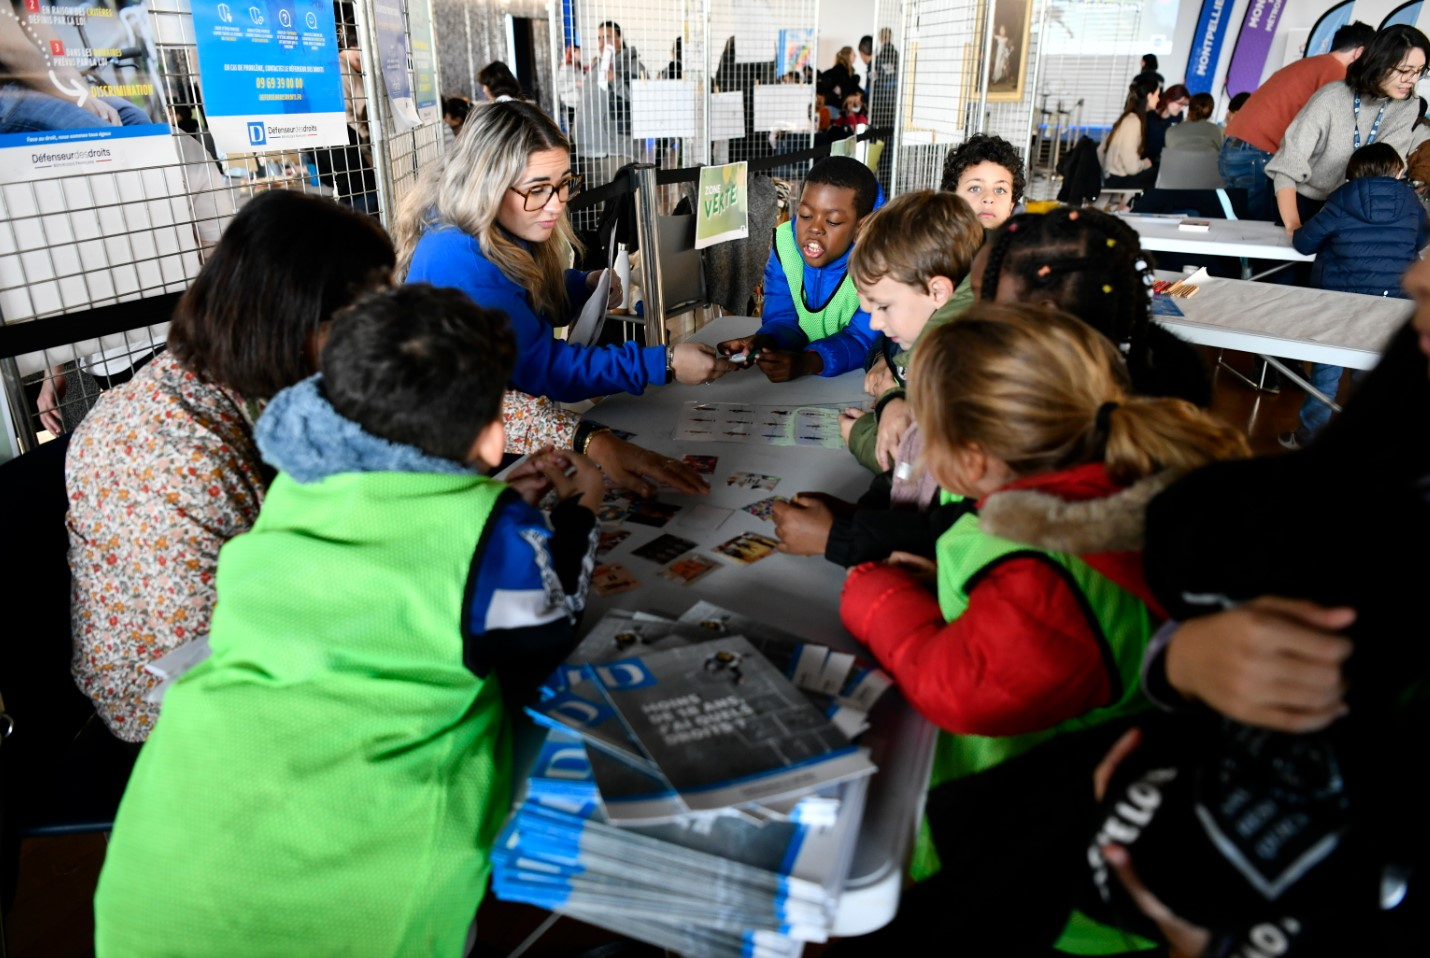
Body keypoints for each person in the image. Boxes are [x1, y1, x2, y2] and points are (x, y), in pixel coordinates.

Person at [93, 283, 606, 956]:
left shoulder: (298, 492)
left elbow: (395, 535)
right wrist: (579, 510)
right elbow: (551, 617)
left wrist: (484, 502)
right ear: (492, 437)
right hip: (357, 906)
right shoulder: (490, 534)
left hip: (156, 877)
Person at [837, 303, 1248, 954]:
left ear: (973, 461)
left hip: (1054, 879)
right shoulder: (1113, 490)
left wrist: (877, 594)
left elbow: (963, 684)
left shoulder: (1042, 560)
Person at [65, 191, 395, 742]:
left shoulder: (268, 371)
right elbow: (225, 667)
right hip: (178, 711)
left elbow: (424, 389)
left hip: (290, 619)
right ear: (292, 319)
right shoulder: (174, 456)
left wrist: (576, 433)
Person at [397, 100, 731, 405]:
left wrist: (583, 285)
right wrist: (664, 362)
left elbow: (526, 300)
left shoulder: (490, 227)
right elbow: (547, 371)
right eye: (538, 189)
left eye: (564, 183)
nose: (556, 204)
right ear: (487, 186)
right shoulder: (465, 263)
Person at [1279, 141, 1428, 449]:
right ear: (1398, 170)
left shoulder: (1341, 199)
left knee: (1326, 370)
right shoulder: (1411, 201)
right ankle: (1362, 441)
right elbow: (1422, 238)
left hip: (1339, 300)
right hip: (1391, 302)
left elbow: (1304, 243)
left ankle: (1310, 437)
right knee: (1371, 373)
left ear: (1352, 173)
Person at [715, 156, 882, 381]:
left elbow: (864, 338)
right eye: (805, 215)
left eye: (832, 221)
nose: (814, 228)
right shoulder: (785, 244)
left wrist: (809, 362)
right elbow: (783, 316)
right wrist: (764, 342)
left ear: (860, 226)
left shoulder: (881, 260)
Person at [1267, 24, 1430, 234]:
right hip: (1299, 200)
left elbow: (1385, 171)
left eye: (1419, 72)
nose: (1412, 80)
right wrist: (1293, 227)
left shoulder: (1407, 105)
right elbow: (1286, 169)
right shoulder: (1331, 98)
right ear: (1379, 62)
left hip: (1348, 205)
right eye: (1405, 71)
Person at [1222, 21, 1374, 222]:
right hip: (1258, 153)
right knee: (1260, 231)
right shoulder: (1335, 74)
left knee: (1242, 226)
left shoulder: (1307, 64)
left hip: (1235, 147)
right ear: (1359, 52)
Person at [1099, 78, 1159, 189]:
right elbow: (1132, 168)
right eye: (1157, 95)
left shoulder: (1129, 117)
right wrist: (1145, 163)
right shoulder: (1133, 122)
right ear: (1149, 96)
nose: (1158, 99)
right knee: (1159, 175)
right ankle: (1126, 206)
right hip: (1117, 179)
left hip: (1112, 176)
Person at [596, 20, 643, 135]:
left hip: (624, 140)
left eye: (607, 37)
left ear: (619, 39)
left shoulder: (634, 66)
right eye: (599, 38)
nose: (601, 44)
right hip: (600, 140)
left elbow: (641, 99)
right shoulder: (598, 66)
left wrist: (615, 80)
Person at [1143, 82, 1188, 164]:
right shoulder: (1149, 116)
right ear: (1169, 99)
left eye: (1184, 105)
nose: (1181, 108)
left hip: (1166, 163)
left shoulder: (1178, 117)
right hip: (1145, 163)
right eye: (1179, 104)